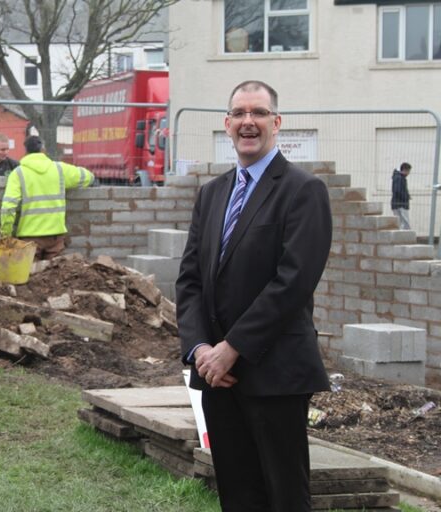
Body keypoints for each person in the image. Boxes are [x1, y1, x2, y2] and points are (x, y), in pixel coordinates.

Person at [176, 80, 332, 512]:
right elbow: (190, 279)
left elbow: (294, 281)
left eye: (259, 113)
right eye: (240, 113)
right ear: (226, 124)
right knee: (238, 495)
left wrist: (234, 348)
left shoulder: (303, 191)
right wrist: (201, 348)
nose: (249, 122)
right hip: (217, 377)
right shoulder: (211, 194)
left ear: (276, 123)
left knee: (284, 496)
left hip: (276, 373)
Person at [0, 135, 94, 260]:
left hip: (30, 237)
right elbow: (87, 176)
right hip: (55, 236)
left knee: (30, 276)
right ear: (43, 150)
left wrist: (5, 234)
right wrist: (92, 179)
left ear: (26, 152)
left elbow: (8, 207)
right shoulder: (59, 169)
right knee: (55, 276)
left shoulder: (18, 173)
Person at [391, 162, 412, 230]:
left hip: (395, 203)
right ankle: (407, 238)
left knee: (399, 222)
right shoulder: (400, 178)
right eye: (408, 171)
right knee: (405, 222)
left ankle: (400, 237)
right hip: (401, 204)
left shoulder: (396, 177)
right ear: (405, 170)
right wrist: (406, 197)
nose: (409, 173)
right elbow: (398, 190)